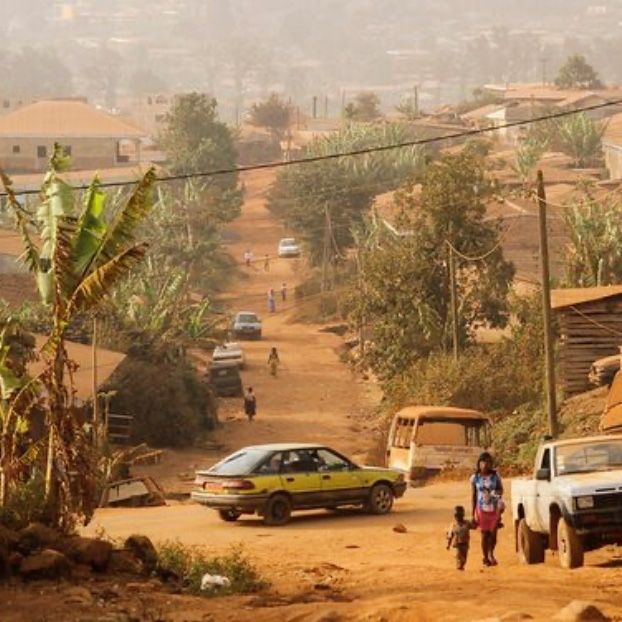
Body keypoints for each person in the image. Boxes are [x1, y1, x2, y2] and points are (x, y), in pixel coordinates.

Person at [470, 451, 504, 567]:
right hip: (481, 509)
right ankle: (485, 558)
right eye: (483, 462)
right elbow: (473, 495)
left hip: (494, 508)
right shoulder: (475, 478)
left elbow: (501, 490)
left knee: (493, 534)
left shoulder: (496, 476)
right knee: (484, 534)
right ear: (479, 463)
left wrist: (495, 493)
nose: (485, 465)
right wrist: (473, 513)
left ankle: (491, 553)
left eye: (488, 462)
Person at [446, 505, 472, 570]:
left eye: (459, 515)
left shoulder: (467, 523)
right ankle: (459, 565)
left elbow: (474, 526)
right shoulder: (453, 525)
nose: (458, 517)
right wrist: (448, 544)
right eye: (457, 516)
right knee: (459, 555)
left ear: (463, 515)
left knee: (464, 557)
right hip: (457, 543)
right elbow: (450, 535)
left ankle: (461, 565)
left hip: (465, 543)